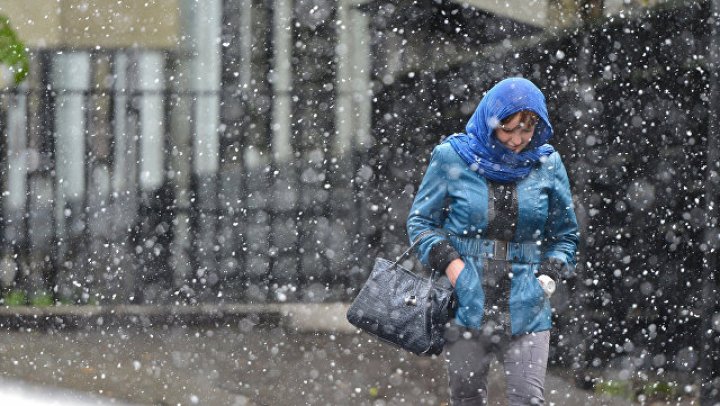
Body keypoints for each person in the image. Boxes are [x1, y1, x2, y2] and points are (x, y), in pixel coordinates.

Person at [406, 77, 579, 405]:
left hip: (528, 302)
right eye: (508, 129)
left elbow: (566, 234)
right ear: (490, 122)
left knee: (528, 399)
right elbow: (421, 222)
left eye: (526, 130)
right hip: (465, 302)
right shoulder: (451, 157)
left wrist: (548, 278)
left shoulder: (548, 163)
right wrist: (453, 266)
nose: (517, 140)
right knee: (466, 398)